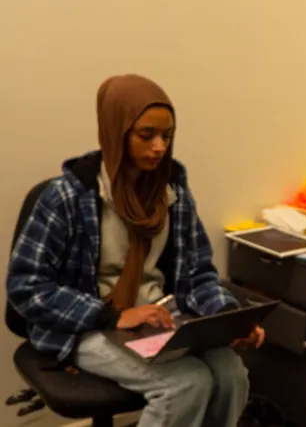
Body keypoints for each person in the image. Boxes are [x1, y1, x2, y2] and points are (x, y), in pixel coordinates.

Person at [7, 74, 264, 427]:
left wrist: (229, 318)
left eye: (167, 136)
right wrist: (110, 316)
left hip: (161, 316)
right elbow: (26, 286)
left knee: (231, 375)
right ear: (117, 132)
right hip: (88, 325)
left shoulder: (172, 191)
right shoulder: (68, 197)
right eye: (146, 135)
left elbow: (198, 273)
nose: (159, 146)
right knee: (187, 384)